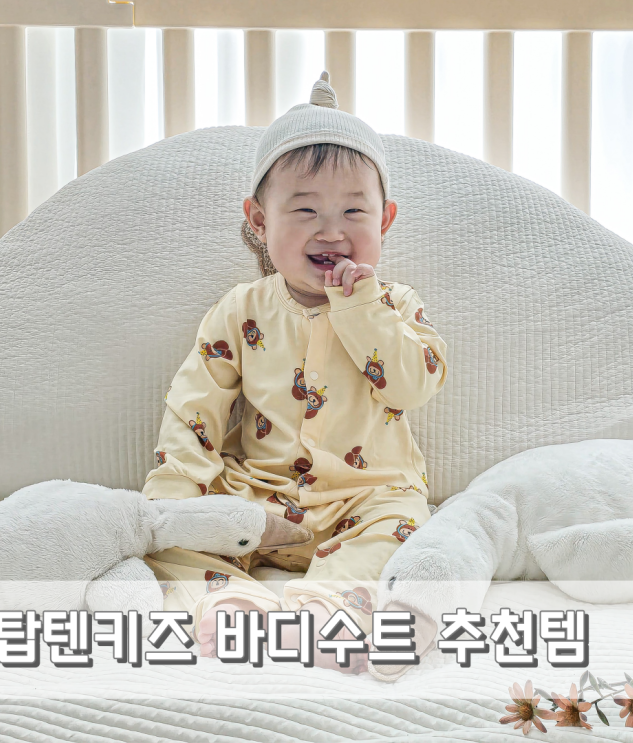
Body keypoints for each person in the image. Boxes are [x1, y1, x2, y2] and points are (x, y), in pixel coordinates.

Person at [142, 71, 448, 676]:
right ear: (259, 221)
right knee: (172, 532)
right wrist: (178, 493)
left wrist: (361, 308)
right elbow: (195, 407)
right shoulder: (241, 309)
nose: (331, 231)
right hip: (258, 498)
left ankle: (329, 614)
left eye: (353, 211)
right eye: (305, 210)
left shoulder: (395, 305)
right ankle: (230, 604)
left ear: (384, 220)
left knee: (409, 527)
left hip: (367, 499)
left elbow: (413, 384)